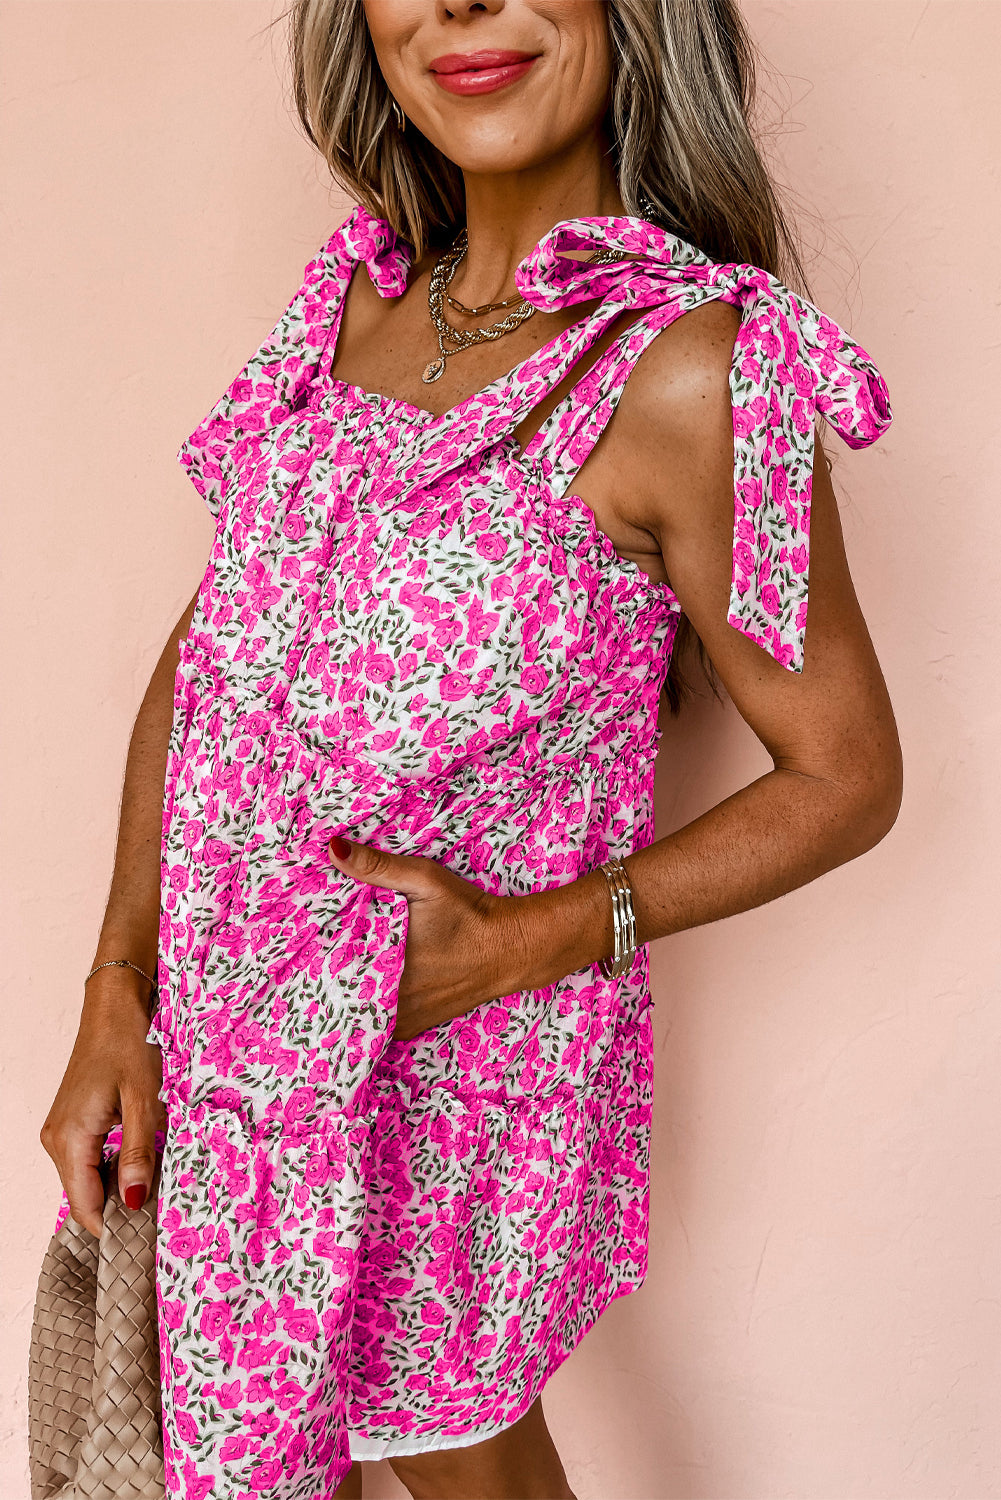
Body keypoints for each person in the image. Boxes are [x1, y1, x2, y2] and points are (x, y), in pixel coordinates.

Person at [39, 1, 902, 1496]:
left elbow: (845, 776)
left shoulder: (692, 369)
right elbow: (212, 658)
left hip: (454, 1074)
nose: (458, 3)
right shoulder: (352, 305)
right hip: (235, 1057)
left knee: (450, 1460)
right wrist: (119, 989)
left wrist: (535, 939)